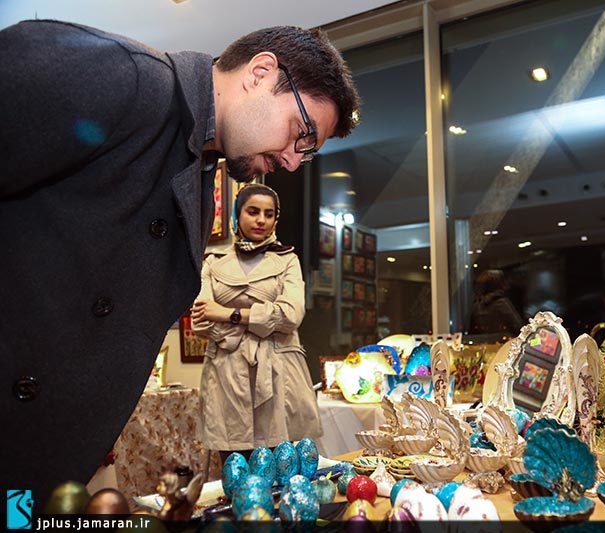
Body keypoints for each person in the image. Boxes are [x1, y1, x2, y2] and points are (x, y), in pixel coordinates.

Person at [0, 20, 358, 502]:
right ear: (260, 73)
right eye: (301, 132)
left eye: (307, 152)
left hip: (35, 467)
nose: (294, 162)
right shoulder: (125, 76)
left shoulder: (199, 174)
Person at [191, 184, 321, 463]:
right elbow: (201, 321)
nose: (261, 220)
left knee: (281, 467)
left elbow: (290, 315)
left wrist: (228, 314)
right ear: (237, 216)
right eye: (253, 212)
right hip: (227, 374)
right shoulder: (212, 262)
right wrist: (262, 323)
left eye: (269, 214)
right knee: (234, 464)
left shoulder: (288, 260)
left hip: (278, 372)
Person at [471, 269, 524, 335]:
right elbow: (519, 328)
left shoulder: (478, 305)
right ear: (499, 284)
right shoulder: (501, 303)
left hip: (485, 340)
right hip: (505, 340)